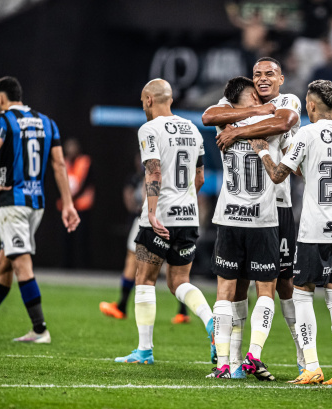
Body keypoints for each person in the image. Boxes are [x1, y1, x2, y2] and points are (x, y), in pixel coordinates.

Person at [249, 80, 332, 386]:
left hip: (314, 229)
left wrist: (262, 151)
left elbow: (277, 174)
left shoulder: (307, 133)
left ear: (311, 106)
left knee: (302, 296)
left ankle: (311, 366)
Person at [202, 57, 305, 374]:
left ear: (281, 79)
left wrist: (237, 131)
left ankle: (304, 359)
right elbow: (210, 115)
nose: (262, 79)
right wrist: (254, 112)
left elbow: (284, 122)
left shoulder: (288, 100)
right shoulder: (240, 100)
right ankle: (235, 361)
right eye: (257, 74)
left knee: (284, 285)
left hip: (280, 206)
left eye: (269, 74)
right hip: (258, 211)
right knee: (243, 285)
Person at [115, 79, 213, 365]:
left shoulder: (149, 129)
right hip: (188, 215)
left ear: (148, 100)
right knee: (180, 281)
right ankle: (212, 324)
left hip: (159, 217)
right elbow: (200, 179)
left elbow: (153, 172)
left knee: (144, 279)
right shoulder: (193, 129)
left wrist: (154, 212)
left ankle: (144, 351)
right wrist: (185, 204)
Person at [206, 76, 284, 381]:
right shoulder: (270, 120)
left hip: (229, 216)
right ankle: (251, 355)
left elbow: (211, 114)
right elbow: (282, 119)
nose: (260, 99)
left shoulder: (223, 125)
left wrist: (237, 122)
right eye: (255, 95)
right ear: (241, 99)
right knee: (265, 290)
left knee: (225, 292)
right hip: (262, 219)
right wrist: (256, 113)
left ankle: (225, 364)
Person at [0, 76, 80, 343]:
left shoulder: (3, 119)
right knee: (3, 264)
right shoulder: (47, 122)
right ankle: (38, 329)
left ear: (1, 99)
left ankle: (40, 329)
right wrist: (67, 203)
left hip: (13, 203)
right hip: (37, 205)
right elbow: (58, 165)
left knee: (20, 262)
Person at [99, 154, 192, 324]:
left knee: (134, 263)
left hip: (150, 220)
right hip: (178, 219)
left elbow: (146, 194)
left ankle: (121, 306)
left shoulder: (153, 165)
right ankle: (183, 311)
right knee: (176, 268)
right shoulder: (179, 164)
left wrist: (147, 211)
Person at [59, 138, 94, 268]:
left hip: (82, 206)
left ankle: (84, 266)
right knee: (66, 237)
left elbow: (86, 183)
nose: (71, 151)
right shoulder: (63, 163)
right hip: (67, 207)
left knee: (82, 238)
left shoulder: (85, 162)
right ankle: (67, 265)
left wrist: (73, 196)